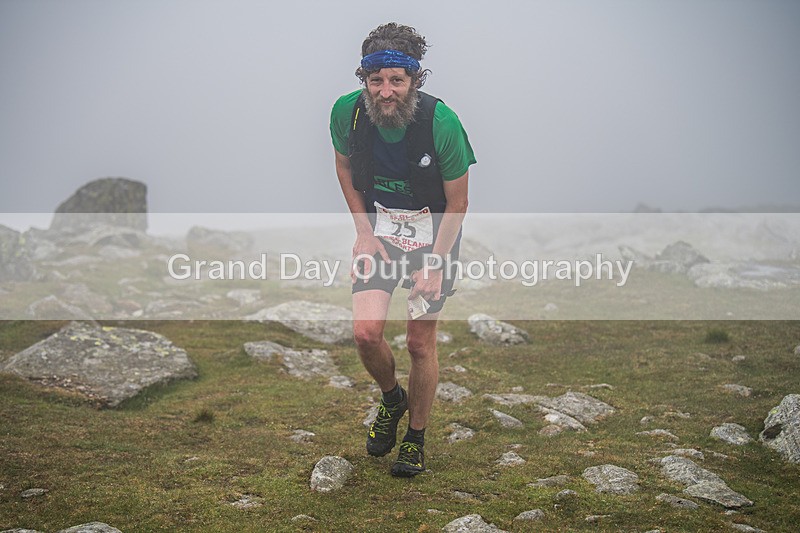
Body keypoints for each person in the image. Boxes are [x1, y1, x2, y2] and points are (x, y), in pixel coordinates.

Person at [330, 22, 476, 477]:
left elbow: (458, 202)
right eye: (376, 81)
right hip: (381, 231)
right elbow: (344, 169)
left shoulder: (442, 122)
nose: (386, 91)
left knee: (418, 342)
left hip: (435, 235)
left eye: (396, 80)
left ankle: (415, 438)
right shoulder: (347, 113)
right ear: (364, 80)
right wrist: (363, 231)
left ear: (415, 79)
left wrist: (435, 261)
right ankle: (392, 399)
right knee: (366, 334)